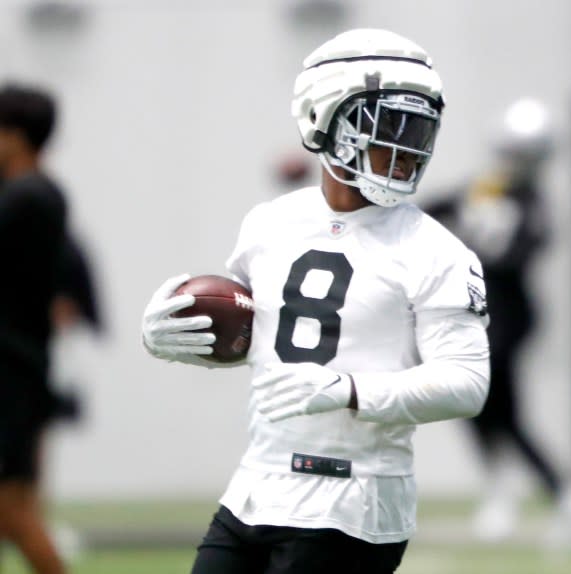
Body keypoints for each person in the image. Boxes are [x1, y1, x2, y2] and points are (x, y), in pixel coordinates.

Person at [141, 29, 490, 574]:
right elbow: (262, 335)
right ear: (322, 118)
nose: (409, 147)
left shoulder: (436, 249)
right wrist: (175, 335)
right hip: (257, 485)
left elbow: (467, 383)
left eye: (420, 128)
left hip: (354, 497)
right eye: (390, 124)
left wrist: (350, 390)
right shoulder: (270, 222)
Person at [424, 98, 571, 548]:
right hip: (480, 315)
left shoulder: (532, 201)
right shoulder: (482, 189)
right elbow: (427, 211)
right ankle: (519, 489)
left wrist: (465, 247)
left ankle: (558, 493)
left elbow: (520, 252)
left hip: (507, 316)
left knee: (497, 410)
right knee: (478, 407)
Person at [0, 83, 69, 574]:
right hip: (19, 371)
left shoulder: (28, 196)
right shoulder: (34, 193)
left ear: (15, 137)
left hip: (11, 373)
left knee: (12, 510)